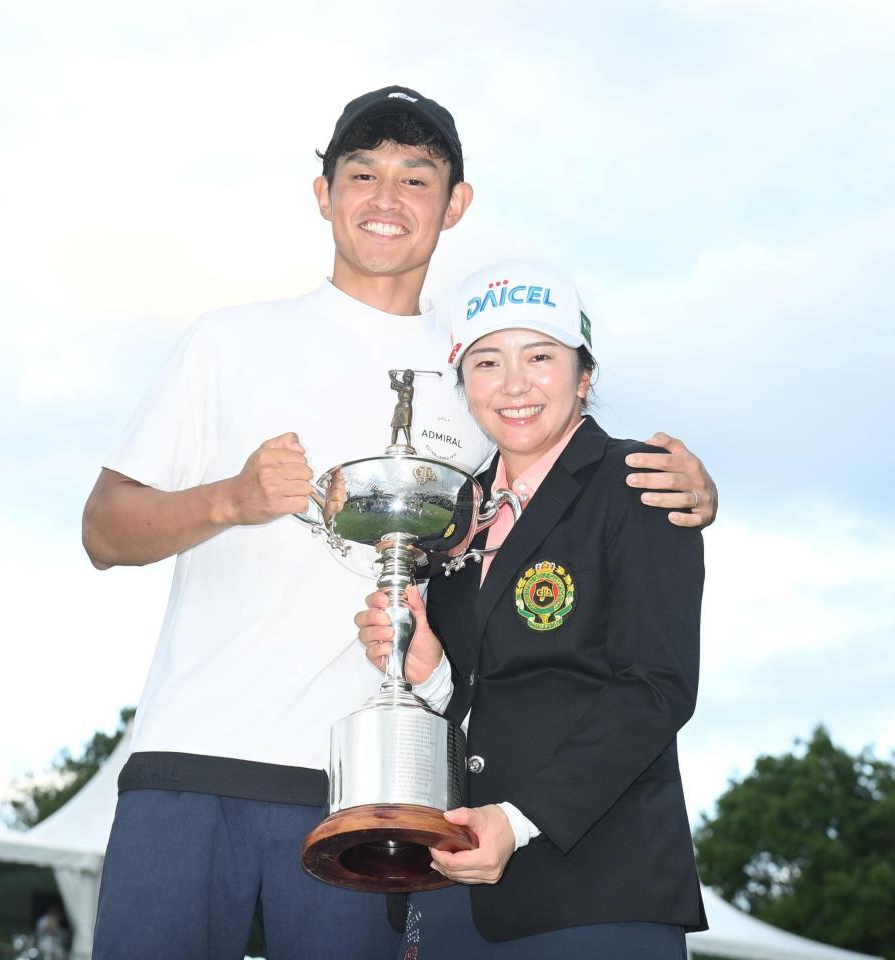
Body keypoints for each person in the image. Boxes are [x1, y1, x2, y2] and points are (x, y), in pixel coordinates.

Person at [82, 86, 716, 960]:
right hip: (194, 760)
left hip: (388, 788)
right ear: (323, 193)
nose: (386, 198)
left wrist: (690, 490)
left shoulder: (478, 367)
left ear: (455, 203)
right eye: (362, 173)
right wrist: (228, 499)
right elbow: (103, 532)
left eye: (415, 178)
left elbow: (565, 509)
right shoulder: (227, 342)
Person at [356, 260, 707, 958]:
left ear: (584, 375)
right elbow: (484, 698)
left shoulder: (642, 483)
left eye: (540, 356)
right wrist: (433, 676)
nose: (513, 385)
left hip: (595, 891)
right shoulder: (451, 516)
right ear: (463, 384)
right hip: (450, 883)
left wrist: (517, 822)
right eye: (487, 362)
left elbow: (655, 688)